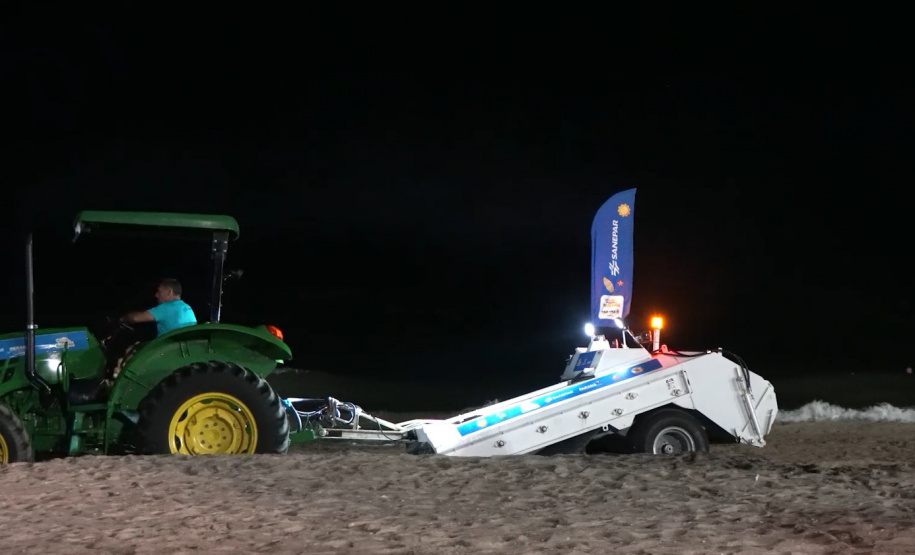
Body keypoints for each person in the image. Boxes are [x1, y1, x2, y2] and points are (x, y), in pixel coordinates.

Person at [120, 278, 197, 336]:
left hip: (168, 351)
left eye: (159, 292)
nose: (156, 295)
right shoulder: (187, 308)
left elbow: (135, 318)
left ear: (169, 292)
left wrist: (122, 319)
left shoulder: (167, 307)